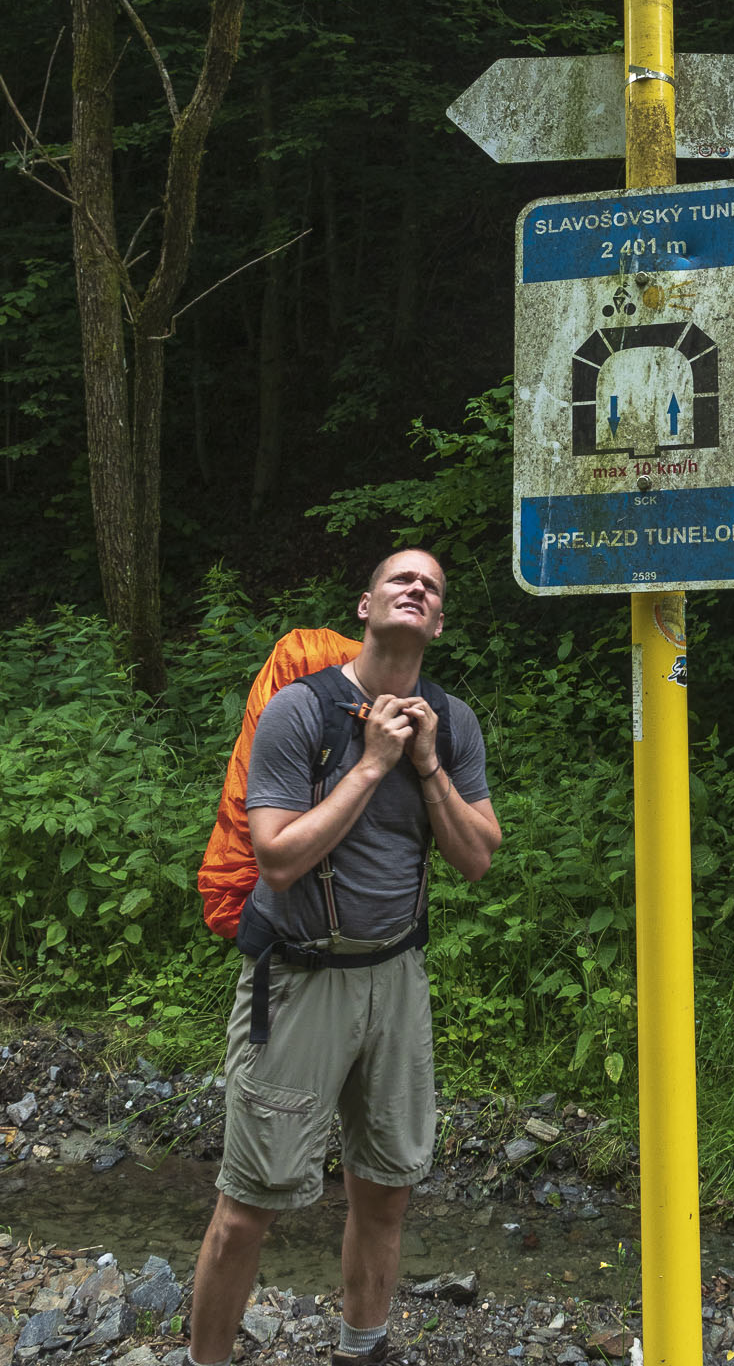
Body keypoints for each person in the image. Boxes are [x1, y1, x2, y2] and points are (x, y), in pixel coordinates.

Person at [187, 549, 501, 1366]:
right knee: (250, 1203)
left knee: (386, 1189)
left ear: (439, 622)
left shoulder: (452, 721)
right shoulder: (302, 711)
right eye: (402, 579)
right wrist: (371, 765)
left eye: (433, 585)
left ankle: (362, 1350)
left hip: (396, 981)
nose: (418, 588)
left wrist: (427, 765)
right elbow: (280, 857)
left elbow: (477, 858)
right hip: (298, 979)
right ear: (365, 605)